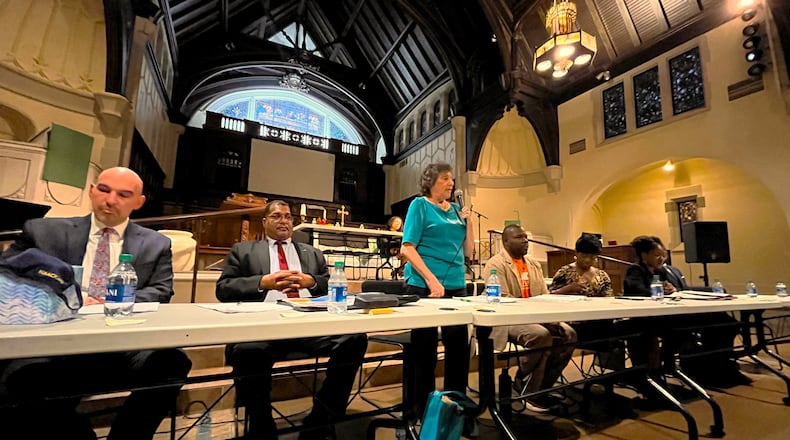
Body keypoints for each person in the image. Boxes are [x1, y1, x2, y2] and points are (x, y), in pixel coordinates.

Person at [0, 167, 191, 440]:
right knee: (23, 377)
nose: (110, 200)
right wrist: (66, 299)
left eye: (123, 195)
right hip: (57, 341)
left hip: (121, 340)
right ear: (92, 191)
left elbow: (161, 290)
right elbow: (8, 278)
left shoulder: (156, 243)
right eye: (104, 190)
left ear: (138, 202)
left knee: (172, 361)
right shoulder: (43, 232)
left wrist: (113, 300)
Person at [216, 200, 368, 440]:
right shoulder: (244, 250)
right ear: (264, 221)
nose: (284, 221)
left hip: (307, 325)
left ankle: (321, 419)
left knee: (354, 339)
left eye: (287, 216)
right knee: (246, 350)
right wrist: (262, 283)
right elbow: (223, 289)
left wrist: (312, 282)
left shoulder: (312, 253)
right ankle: (262, 426)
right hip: (263, 328)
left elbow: (332, 284)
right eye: (276, 216)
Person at [399, 163, 474, 421]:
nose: (451, 183)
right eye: (445, 179)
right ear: (431, 181)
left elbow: (468, 252)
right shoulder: (419, 205)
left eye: (452, 179)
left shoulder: (455, 209)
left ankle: (455, 407)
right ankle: (422, 409)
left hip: (456, 283)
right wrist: (431, 280)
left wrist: (469, 223)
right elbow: (407, 248)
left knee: (458, 349)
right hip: (423, 284)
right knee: (425, 349)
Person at [623, 236, 746, 387]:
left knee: (726, 322)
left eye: (663, 255)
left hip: (674, 313)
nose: (661, 258)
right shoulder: (636, 270)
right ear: (644, 255)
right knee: (710, 322)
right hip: (656, 319)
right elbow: (636, 291)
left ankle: (719, 364)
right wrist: (659, 290)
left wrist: (673, 289)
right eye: (656, 255)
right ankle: (706, 366)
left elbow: (677, 290)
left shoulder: (661, 272)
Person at [484, 224, 577, 412]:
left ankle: (543, 388)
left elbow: (543, 296)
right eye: (519, 237)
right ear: (506, 241)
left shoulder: (533, 264)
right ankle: (527, 387)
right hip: (508, 318)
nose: (525, 240)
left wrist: (548, 316)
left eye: (525, 237)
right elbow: (503, 300)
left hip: (536, 315)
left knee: (569, 334)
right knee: (541, 335)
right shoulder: (495, 264)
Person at [549, 233, 613, 297]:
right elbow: (549, 296)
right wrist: (568, 289)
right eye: (584, 256)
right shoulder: (564, 272)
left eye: (592, 257)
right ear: (576, 253)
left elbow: (608, 298)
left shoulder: (602, 276)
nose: (587, 260)